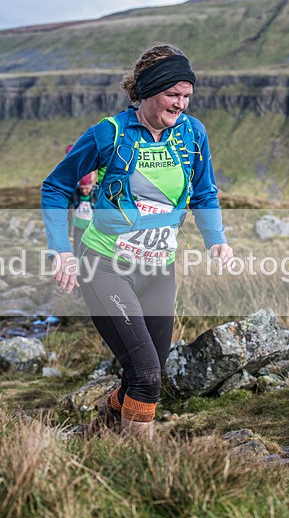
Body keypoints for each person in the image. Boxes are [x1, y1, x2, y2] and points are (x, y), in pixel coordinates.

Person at [41, 44, 234, 440]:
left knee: (143, 375)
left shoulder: (194, 134)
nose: (181, 104)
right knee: (147, 375)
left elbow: (205, 193)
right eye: (173, 95)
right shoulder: (108, 134)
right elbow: (56, 187)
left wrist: (217, 239)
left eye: (186, 97)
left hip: (159, 271)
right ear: (148, 90)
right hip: (106, 267)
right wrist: (62, 250)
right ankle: (139, 469)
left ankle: (96, 436)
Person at [68, 171, 98, 256]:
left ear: (91, 185)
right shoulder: (76, 193)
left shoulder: (96, 193)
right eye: (82, 188)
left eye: (87, 188)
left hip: (91, 229)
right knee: (77, 251)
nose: (84, 191)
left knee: (89, 251)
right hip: (78, 227)